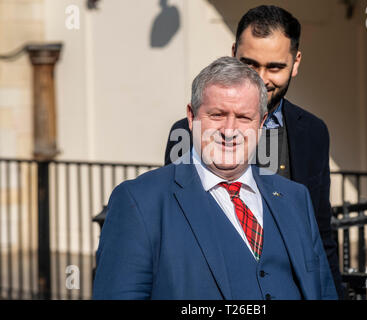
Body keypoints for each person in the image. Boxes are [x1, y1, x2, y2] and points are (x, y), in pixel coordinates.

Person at [93, 57, 338, 300]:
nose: (229, 131)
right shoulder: (140, 202)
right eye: (217, 115)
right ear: (191, 117)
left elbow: (324, 291)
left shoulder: (295, 199)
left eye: (244, 117)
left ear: (261, 123)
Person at [164, 5, 343, 297]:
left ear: (295, 63)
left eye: (275, 67)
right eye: (250, 64)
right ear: (233, 53)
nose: (261, 78)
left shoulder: (313, 132)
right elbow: (180, 231)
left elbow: (321, 235)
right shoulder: (187, 132)